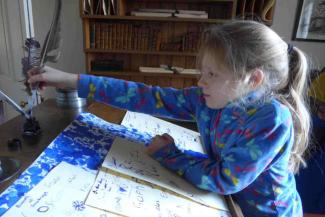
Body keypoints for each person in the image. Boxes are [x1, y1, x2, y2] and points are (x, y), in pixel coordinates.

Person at [28, 20, 311, 217]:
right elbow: (143, 95)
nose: (201, 81)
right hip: (228, 202)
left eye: (212, 74)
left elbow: (224, 179)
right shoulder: (207, 98)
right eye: (203, 71)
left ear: (252, 79)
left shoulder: (272, 119)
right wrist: (69, 80)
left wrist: (169, 154)